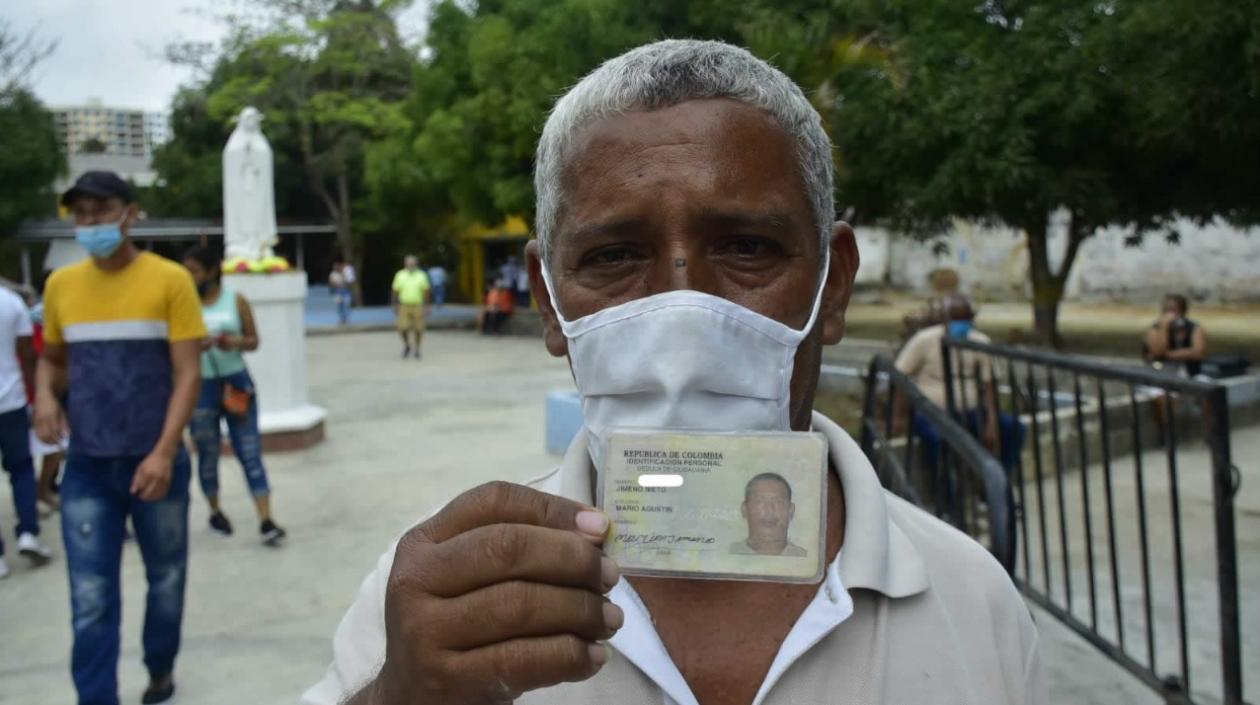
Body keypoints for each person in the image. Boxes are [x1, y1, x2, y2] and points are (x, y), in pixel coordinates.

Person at [304, 40, 1042, 705]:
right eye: (615, 257)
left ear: (834, 285)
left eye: (748, 247)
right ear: (548, 302)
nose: (682, 318)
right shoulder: (438, 603)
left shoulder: (972, 600)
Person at [35, 170, 205, 705]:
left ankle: (160, 668)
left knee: (166, 580)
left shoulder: (170, 280)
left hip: (158, 465)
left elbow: (188, 373)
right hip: (87, 465)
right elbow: (55, 360)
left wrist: (163, 450)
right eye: (80, 213)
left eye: (101, 210)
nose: (90, 222)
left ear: (129, 214)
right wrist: (43, 394)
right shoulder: (61, 285)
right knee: (90, 596)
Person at [183, 246, 287, 546]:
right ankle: (215, 510)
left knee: (250, 450)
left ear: (212, 271)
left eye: (194, 271)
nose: (190, 277)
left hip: (235, 381)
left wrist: (234, 342)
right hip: (200, 385)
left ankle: (266, 520)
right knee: (207, 452)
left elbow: (254, 340)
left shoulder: (235, 301)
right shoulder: (183, 303)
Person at [895, 296, 1026, 477]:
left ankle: (996, 485)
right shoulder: (925, 340)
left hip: (970, 411)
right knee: (937, 441)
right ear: (945, 320)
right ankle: (948, 500)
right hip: (933, 413)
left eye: (965, 319)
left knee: (1014, 429)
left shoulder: (979, 341)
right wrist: (898, 417)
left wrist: (992, 422)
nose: (960, 324)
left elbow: (989, 385)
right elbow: (899, 375)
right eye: (955, 319)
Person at [0, 284, 54, 579]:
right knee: (21, 470)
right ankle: (28, 533)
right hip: (11, 400)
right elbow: (28, 354)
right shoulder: (11, 302)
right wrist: (39, 397)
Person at [729, 473, 807, 557]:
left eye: (778, 501)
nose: (769, 510)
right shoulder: (724, 556)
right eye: (759, 501)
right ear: (744, 510)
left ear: (791, 511)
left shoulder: (806, 559)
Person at [1142, 293, 1207, 377]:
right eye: (1165, 310)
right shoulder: (1154, 329)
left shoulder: (1194, 328)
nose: (1168, 314)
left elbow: (1199, 353)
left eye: (1172, 310)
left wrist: (1167, 355)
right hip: (1159, 373)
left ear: (1182, 311)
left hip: (1189, 373)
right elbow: (1158, 352)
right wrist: (1164, 327)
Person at [391, 255, 430, 359]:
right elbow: (395, 291)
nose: (410, 265)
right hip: (404, 305)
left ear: (416, 264)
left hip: (417, 305)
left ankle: (417, 348)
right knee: (402, 328)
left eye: (412, 264)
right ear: (405, 264)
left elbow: (426, 291)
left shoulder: (421, 275)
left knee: (419, 329)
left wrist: (427, 306)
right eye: (408, 264)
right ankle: (407, 344)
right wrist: (394, 305)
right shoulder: (400, 275)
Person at [329, 261, 351, 326]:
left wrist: (343, 275)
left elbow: (349, 281)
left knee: (346, 305)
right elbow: (332, 283)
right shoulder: (333, 274)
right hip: (337, 292)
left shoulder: (345, 273)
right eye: (335, 266)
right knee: (340, 307)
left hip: (345, 291)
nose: (337, 267)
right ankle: (342, 319)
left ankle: (346, 319)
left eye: (338, 266)